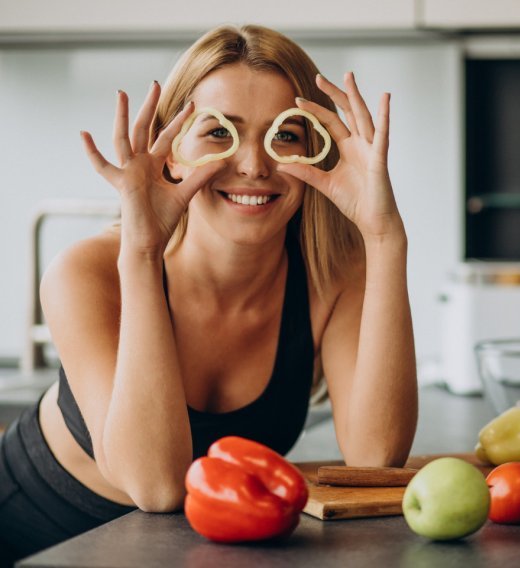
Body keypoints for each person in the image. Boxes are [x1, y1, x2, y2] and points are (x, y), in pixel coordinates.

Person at [0, 24, 417, 564]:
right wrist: (142, 251)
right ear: (171, 152)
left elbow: (376, 460)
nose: (254, 165)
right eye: (219, 132)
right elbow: (156, 487)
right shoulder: (86, 272)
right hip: (34, 532)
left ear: (314, 156)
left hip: (191, 547)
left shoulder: (332, 274)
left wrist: (384, 238)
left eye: (285, 136)